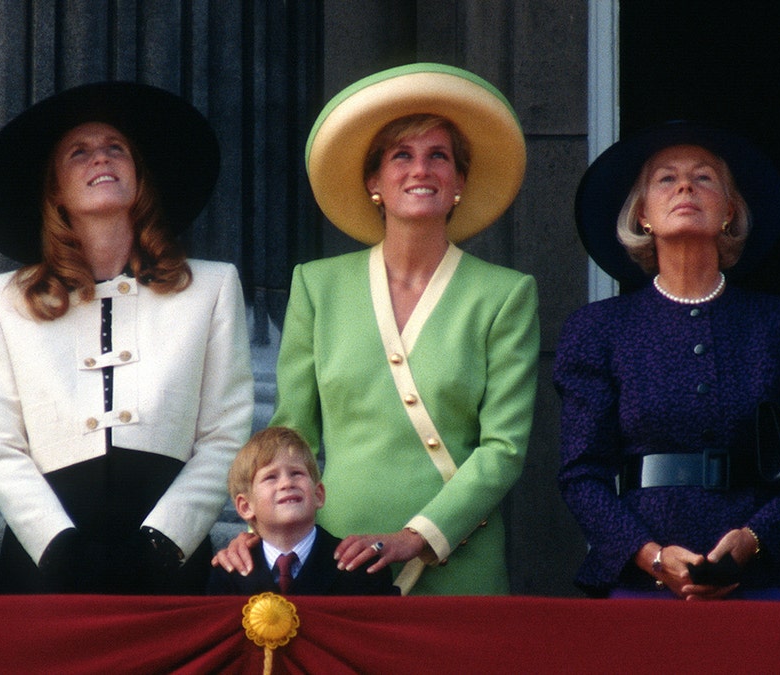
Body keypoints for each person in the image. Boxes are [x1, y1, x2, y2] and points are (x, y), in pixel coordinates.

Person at [213, 63, 538, 595]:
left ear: (459, 181)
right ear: (374, 182)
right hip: (340, 557)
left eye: (440, 156)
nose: (421, 169)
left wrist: (418, 536)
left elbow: (503, 448)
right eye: (401, 156)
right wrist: (262, 531)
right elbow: (291, 434)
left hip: (458, 556)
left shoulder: (504, 294)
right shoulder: (319, 285)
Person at [0, 81, 254, 594]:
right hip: (47, 560)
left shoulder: (211, 287)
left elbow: (224, 435)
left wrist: (169, 539)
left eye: (115, 148)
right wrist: (54, 544)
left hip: (168, 557)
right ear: (55, 190)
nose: (101, 158)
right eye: (79, 152)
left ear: (139, 177)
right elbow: (0, 443)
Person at [555, 121, 780, 599]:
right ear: (642, 214)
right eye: (666, 178)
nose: (686, 186)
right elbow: (581, 473)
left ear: (730, 212)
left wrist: (754, 540)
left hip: (768, 576)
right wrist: (649, 554)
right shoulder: (598, 330)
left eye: (705, 177)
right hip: (641, 580)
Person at [207, 426, 397, 595]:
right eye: (271, 477)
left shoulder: (360, 567)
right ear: (246, 506)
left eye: (296, 473)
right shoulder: (229, 575)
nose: (287, 483)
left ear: (319, 494)